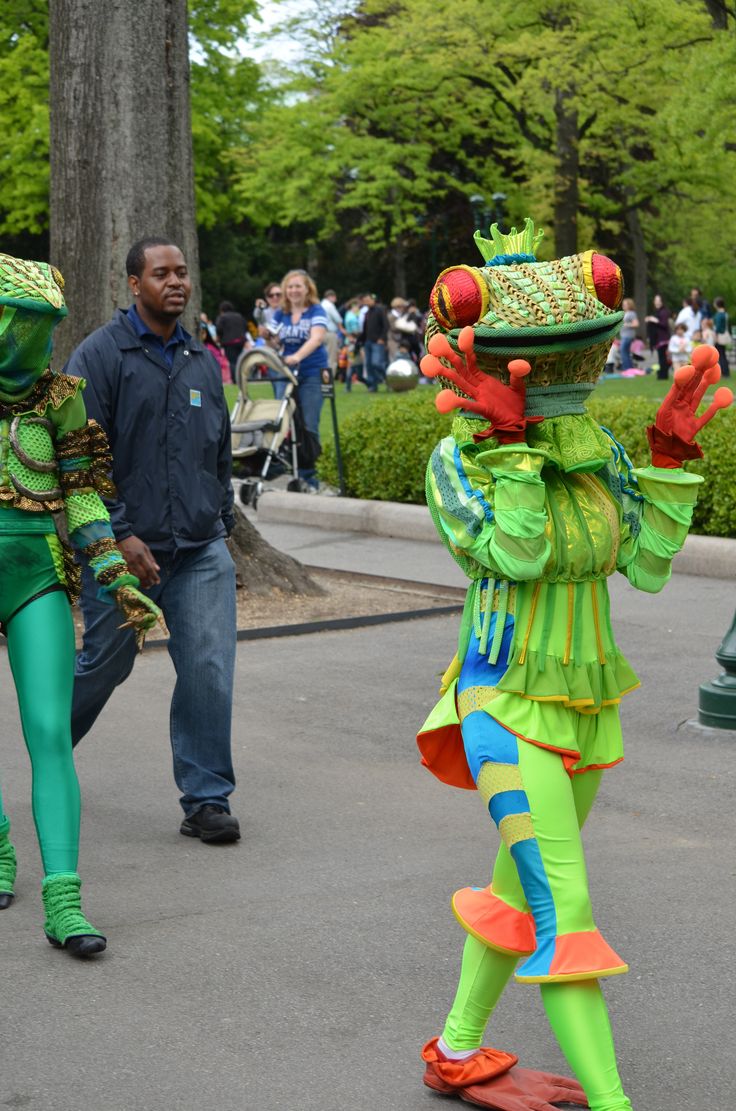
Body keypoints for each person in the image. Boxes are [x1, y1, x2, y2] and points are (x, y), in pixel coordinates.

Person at [416, 217, 733, 1111]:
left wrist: (668, 458)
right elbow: (514, 555)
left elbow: (649, 567)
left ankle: (456, 1048)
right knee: (565, 907)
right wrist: (511, 452)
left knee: (519, 884)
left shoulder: (597, 451)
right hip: (502, 704)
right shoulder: (457, 459)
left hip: (589, 709)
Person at [0, 252, 161, 956]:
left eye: (43, 326)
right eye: (19, 322)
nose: (29, 339)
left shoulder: (62, 396)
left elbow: (85, 495)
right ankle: (1, 845)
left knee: (49, 731)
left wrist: (114, 574)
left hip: (37, 569)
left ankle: (64, 898)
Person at [66, 237, 240, 846]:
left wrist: (221, 517)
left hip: (198, 548)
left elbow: (217, 447)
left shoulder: (199, 357)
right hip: (120, 554)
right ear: (133, 284)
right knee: (103, 666)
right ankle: (49, 754)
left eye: (183, 272)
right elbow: (79, 458)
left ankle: (206, 799)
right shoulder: (101, 354)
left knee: (209, 669)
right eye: (161, 273)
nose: (176, 282)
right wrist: (118, 534)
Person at [271, 269, 329, 488]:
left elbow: (316, 338)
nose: (294, 290)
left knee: (309, 423)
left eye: (298, 286)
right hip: (285, 372)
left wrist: (296, 356)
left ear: (307, 289)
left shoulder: (316, 310)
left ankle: (308, 473)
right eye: (290, 286)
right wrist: (270, 342)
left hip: (312, 370)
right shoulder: (280, 313)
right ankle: (288, 466)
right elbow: (272, 339)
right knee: (284, 421)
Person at [361, 292, 389, 391]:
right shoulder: (367, 313)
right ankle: (373, 386)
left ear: (373, 300)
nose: (366, 302)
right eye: (365, 301)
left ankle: (388, 380)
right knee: (369, 365)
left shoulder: (380, 310)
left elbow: (386, 325)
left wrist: (382, 338)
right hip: (368, 342)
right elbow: (365, 329)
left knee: (377, 363)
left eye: (368, 300)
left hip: (378, 342)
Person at [215, 300, 247, 383]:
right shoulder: (239, 316)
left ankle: (236, 379)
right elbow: (245, 326)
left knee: (232, 362)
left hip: (229, 342)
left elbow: (219, 329)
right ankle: (242, 377)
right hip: (241, 341)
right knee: (239, 360)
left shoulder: (222, 317)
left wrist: (219, 338)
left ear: (221, 310)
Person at [644, 293, 671, 380]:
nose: (657, 302)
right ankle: (662, 374)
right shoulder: (658, 312)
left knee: (662, 357)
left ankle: (663, 375)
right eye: (656, 300)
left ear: (662, 302)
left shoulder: (664, 312)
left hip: (663, 338)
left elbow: (664, 324)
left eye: (659, 301)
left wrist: (654, 320)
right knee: (661, 357)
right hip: (658, 338)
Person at [320, 288, 344, 377]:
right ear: (331, 296)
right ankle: (328, 379)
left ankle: (322, 376)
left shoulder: (320, 305)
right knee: (331, 357)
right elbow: (338, 319)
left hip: (320, 333)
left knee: (322, 357)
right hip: (330, 333)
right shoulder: (330, 305)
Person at [713, 296, 731, 378]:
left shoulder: (719, 315)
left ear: (717, 304)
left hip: (720, 336)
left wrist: (715, 335)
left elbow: (718, 327)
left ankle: (724, 372)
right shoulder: (725, 314)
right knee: (723, 354)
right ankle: (726, 371)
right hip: (724, 335)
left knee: (721, 355)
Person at [619, 297, 638, 370]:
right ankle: (630, 369)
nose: (623, 305)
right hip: (624, 336)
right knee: (626, 352)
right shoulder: (626, 313)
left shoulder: (631, 313)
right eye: (623, 304)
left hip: (628, 336)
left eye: (625, 304)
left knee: (623, 351)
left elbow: (636, 324)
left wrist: (626, 324)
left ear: (629, 305)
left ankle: (627, 369)